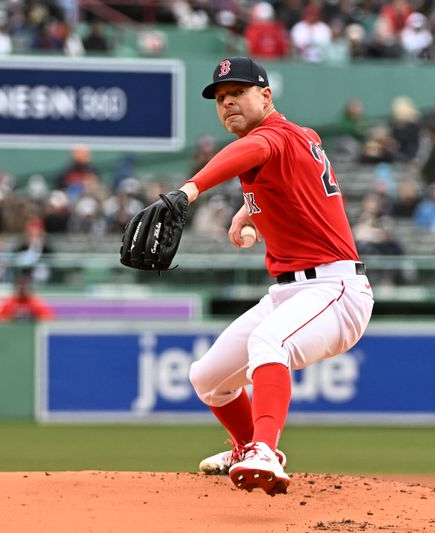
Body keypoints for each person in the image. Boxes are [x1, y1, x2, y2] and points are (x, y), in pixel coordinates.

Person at [155, 57, 373, 495]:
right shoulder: (300, 136)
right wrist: (249, 211)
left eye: (238, 92)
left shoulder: (269, 136)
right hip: (291, 291)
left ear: (267, 95)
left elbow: (250, 152)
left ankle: (265, 450)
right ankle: (244, 447)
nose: (228, 102)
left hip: (335, 288)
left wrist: (190, 190)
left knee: (266, 343)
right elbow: (296, 187)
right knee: (207, 378)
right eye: (220, 97)